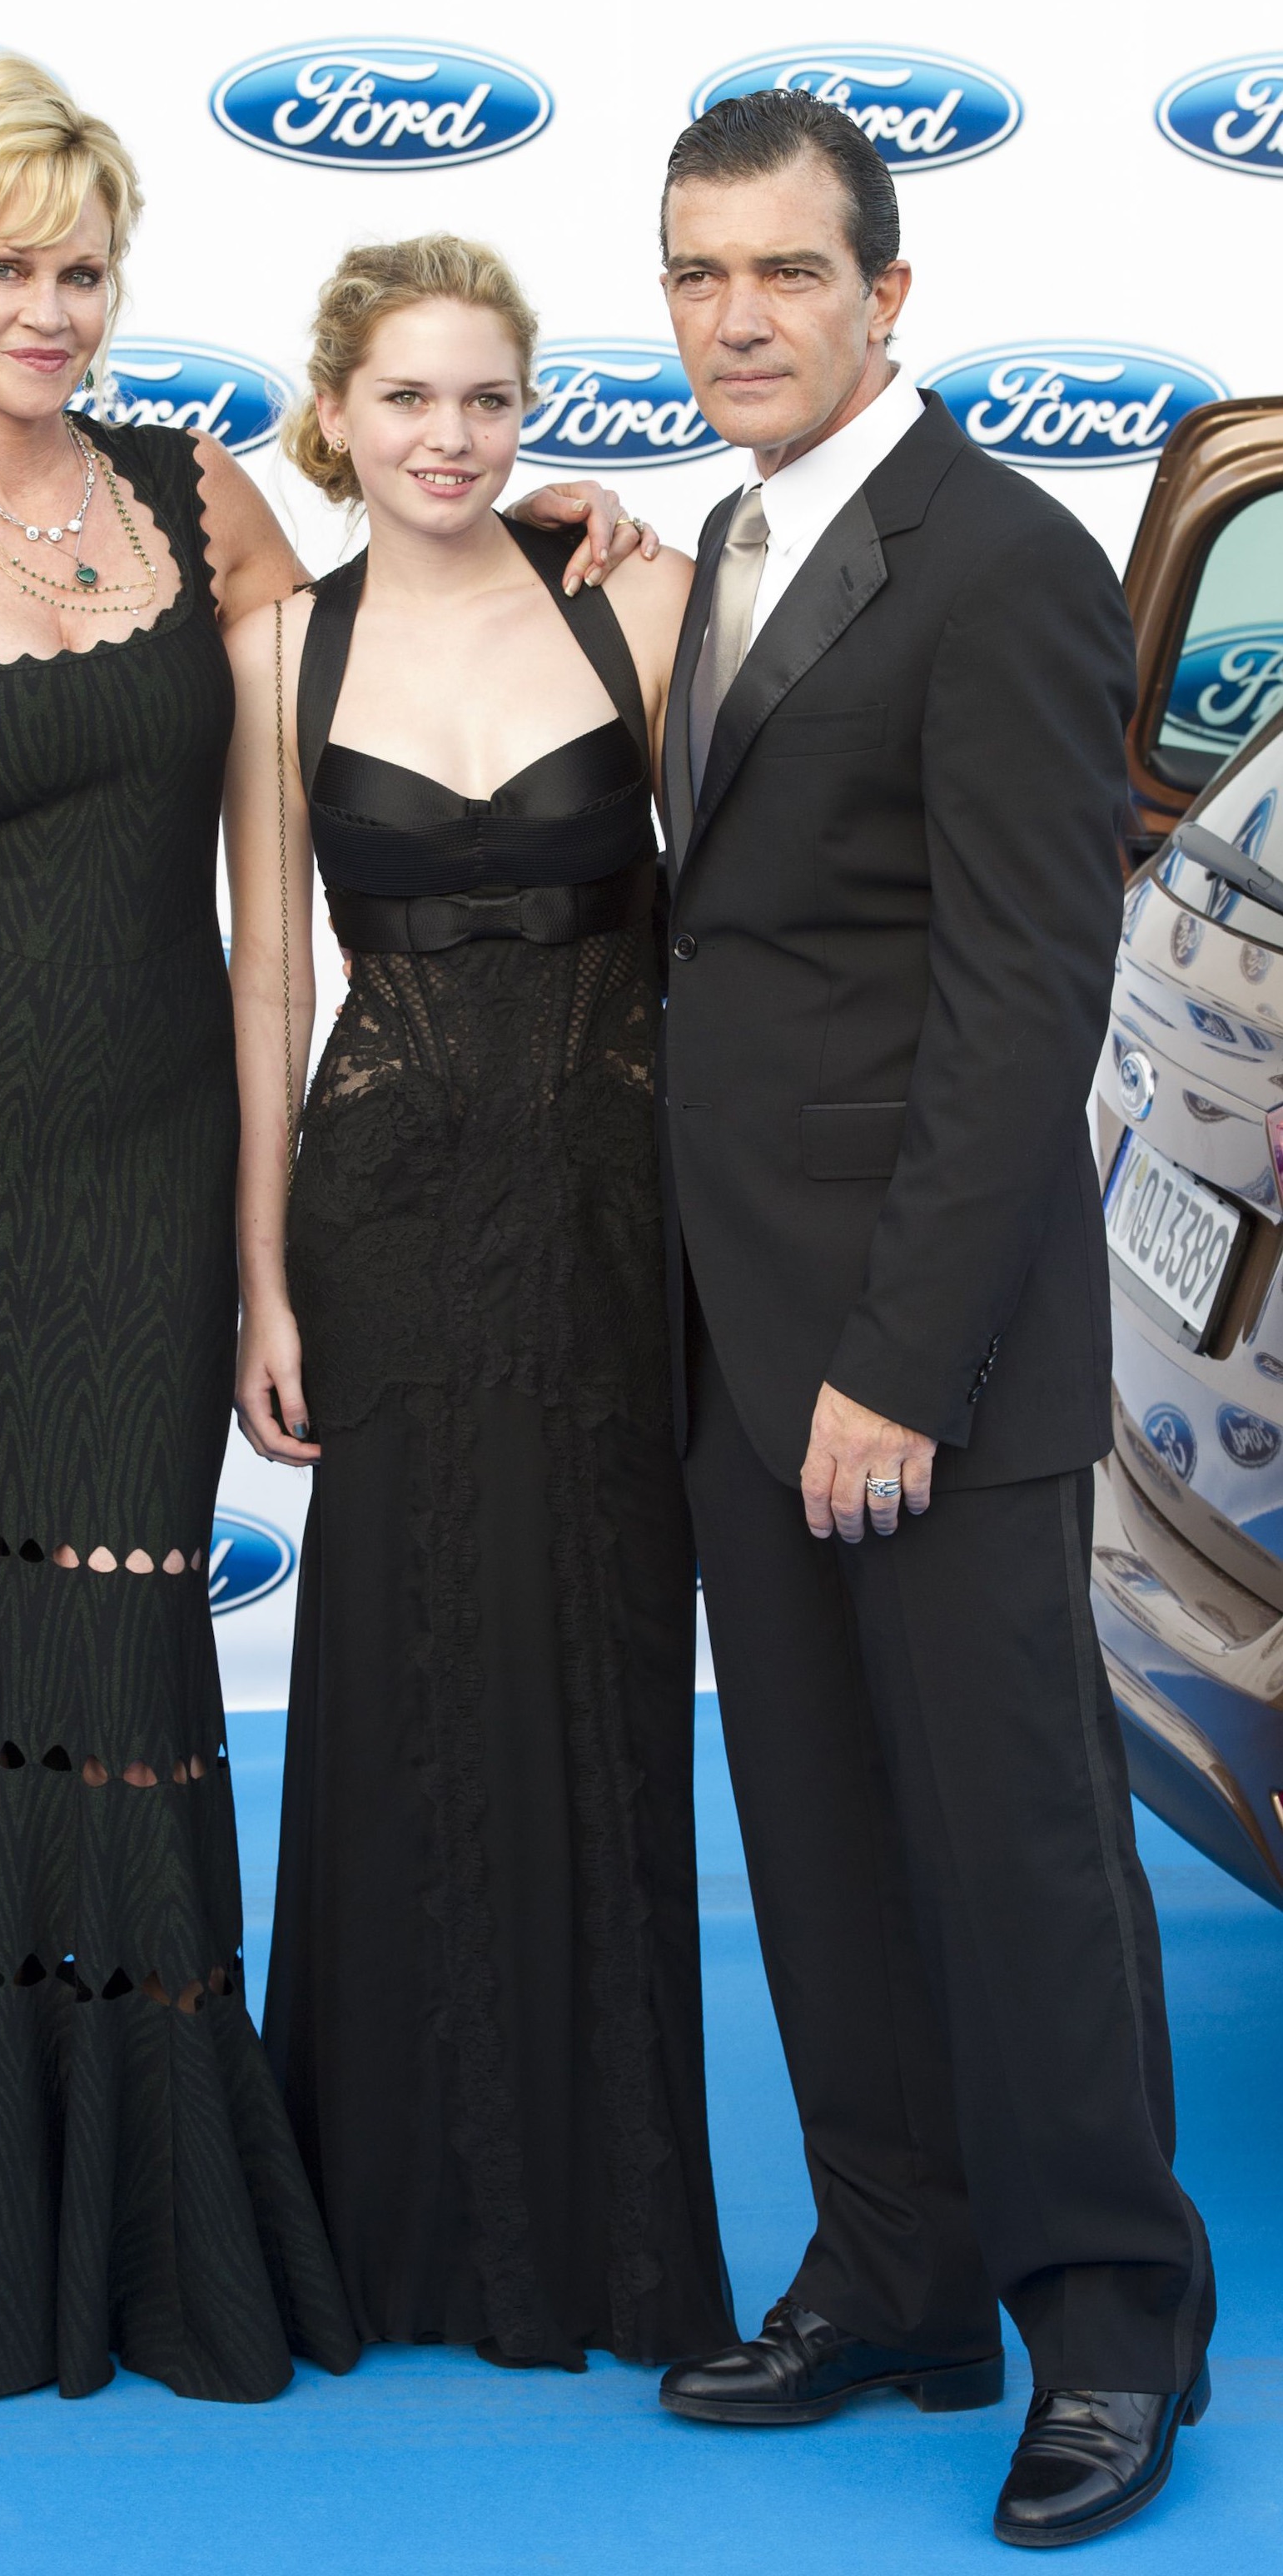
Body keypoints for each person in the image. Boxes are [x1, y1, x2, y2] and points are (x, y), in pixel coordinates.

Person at [0, 57, 628, 2410]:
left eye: (83, 268)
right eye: (7, 266)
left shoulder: (204, 502)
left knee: (120, 1676)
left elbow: (383, 651)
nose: (53, 310)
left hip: (151, 1184)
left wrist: (558, 547)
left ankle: (133, 2223)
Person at [648, 92, 1215, 2549]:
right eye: (696, 276)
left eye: (785, 272)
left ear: (892, 296)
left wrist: (896, 1357)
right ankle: (894, 2272)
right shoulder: (737, 547)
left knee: (1010, 1851)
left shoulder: (994, 560)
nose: (737, 316)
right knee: (821, 1840)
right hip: (735, 1337)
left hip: (923, 1363)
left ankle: (1108, 2329)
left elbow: (1019, 1000)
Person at [226, 235, 734, 2372]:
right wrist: (256, 1276)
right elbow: (268, 982)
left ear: (530, 415)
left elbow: (752, 906)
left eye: (487, 402)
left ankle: (608, 2231)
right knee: (405, 1670)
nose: (450, 440)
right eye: (408, 400)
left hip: (616, 1208)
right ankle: (386, 2218)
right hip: (388, 1208)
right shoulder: (274, 653)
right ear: (333, 413)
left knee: (600, 1673)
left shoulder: (630, 592)